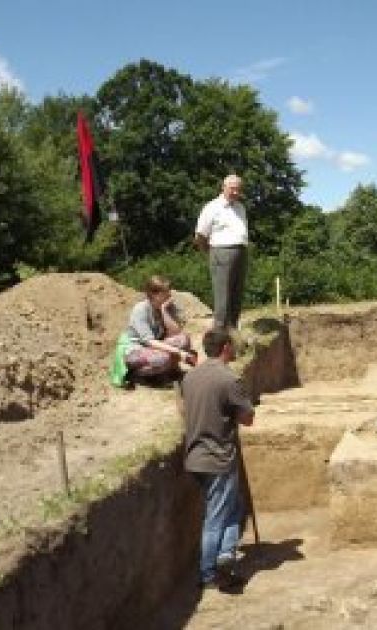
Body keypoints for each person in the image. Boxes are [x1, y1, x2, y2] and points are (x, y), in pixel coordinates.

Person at [182, 325, 255, 591]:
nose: (235, 349)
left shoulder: (190, 378)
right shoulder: (228, 380)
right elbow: (247, 419)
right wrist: (237, 411)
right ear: (225, 348)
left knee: (232, 508)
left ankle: (226, 555)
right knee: (216, 516)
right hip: (218, 458)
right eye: (232, 346)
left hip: (195, 456)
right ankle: (210, 573)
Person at [195, 174, 248, 329]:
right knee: (222, 299)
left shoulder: (240, 207)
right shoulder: (212, 207)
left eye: (238, 190)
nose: (236, 193)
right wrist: (210, 253)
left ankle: (232, 333)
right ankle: (218, 336)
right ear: (223, 187)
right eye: (233, 189)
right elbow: (200, 235)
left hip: (241, 252)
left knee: (236, 296)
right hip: (221, 252)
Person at [120, 275, 195, 384]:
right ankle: (135, 375)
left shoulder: (167, 306)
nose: (169, 295)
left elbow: (176, 332)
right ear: (154, 295)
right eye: (166, 292)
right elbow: (148, 341)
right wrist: (178, 352)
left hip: (154, 347)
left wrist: (164, 311)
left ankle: (167, 372)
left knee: (184, 340)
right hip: (135, 350)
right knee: (163, 359)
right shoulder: (141, 309)